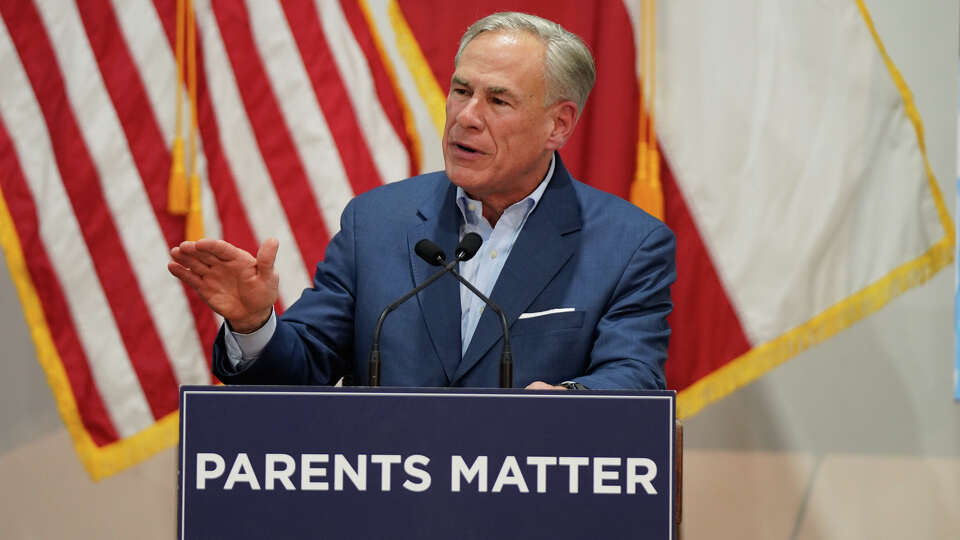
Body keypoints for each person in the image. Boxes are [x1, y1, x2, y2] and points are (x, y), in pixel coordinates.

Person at [168, 12, 675, 390]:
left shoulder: (628, 243)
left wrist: (570, 402)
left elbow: (633, 374)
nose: (465, 117)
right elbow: (304, 369)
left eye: (497, 100)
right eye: (460, 90)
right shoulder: (377, 222)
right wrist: (255, 324)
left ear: (558, 124)